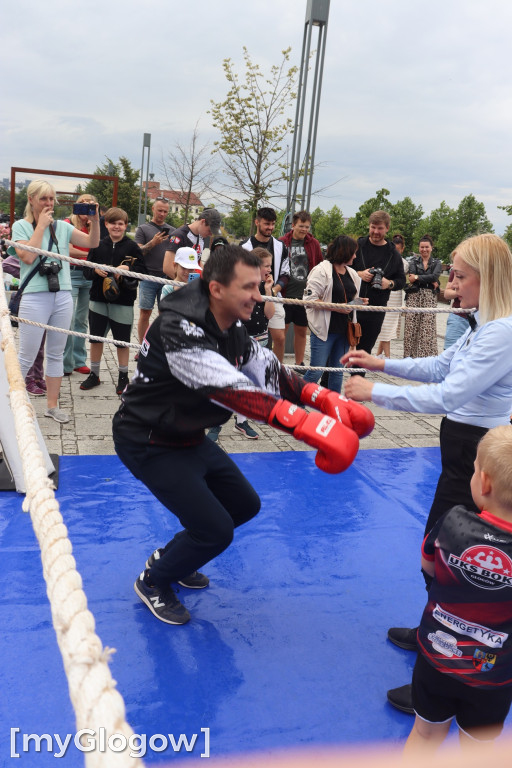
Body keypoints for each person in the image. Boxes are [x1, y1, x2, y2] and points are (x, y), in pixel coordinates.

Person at [112, 244, 374, 626]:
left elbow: (267, 369)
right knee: (215, 531)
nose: (259, 295)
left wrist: (321, 397)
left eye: (260, 284)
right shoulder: (176, 328)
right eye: (249, 287)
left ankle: (174, 557)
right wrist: (307, 425)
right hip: (147, 440)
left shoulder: (227, 323)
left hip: (184, 435)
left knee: (243, 505)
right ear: (217, 288)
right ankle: (153, 581)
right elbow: (230, 388)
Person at [342, 232, 512, 713]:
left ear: (488, 277)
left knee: (452, 560)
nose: (451, 284)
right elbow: (442, 366)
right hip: (464, 453)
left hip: (474, 457)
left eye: (460, 276)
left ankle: (447, 658)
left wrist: (373, 391)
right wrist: (382, 362)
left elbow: (448, 395)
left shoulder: (501, 331)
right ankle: (431, 632)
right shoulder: (485, 324)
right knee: (438, 552)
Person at [404, 425, 512, 755]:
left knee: (423, 735)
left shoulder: (452, 521)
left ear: (484, 482)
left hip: (436, 657)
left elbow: (428, 567)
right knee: (480, 749)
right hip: (494, 674)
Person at [8, 179, 100, 423]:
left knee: (56, 353)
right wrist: (41, 227)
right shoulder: (20, 226)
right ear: (31, 200)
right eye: (43, 199)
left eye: (51, 199)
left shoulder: (62, 226)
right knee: (26, 355)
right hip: (35, 297)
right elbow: (27, 256)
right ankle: (9, 405)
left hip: (62, 294)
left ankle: (52, 406)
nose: (49, 203)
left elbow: (92, 244)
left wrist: (96, 220)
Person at [207, 246, 276, 442]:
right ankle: (216, 422)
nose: (269, 270)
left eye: (270, 266)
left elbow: (269, 314)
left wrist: (269, 290)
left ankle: (242, 420)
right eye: (266, 266)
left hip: (260, 338)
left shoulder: (266, 287)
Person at [80, 207, 147, 395]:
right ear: (106, 224)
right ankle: (94, 373)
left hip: (123, 301)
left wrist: (125, 272)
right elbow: (86, 271)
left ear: (126, 226)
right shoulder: (97, 244)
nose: (116, 227)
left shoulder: (133, 247)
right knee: (95, 338)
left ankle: (123, 376)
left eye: (120, 224)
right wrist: (95, 270)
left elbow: (143, 273)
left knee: (122, 341)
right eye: (113, 223)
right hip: (98, 300)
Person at [303, 235, 364, 393]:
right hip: (324, 331)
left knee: (337, 373)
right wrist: (338, 307)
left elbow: (351, 301)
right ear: (345, 252)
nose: (355, 256)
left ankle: (333, 409)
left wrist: (359, 302)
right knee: (316, 371)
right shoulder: (320, 271)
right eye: (353, 252)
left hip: (344, 331)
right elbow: (309, 300)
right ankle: (293, 402)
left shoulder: (352, 274)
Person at [351, 211, 406, 357]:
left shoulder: (393, 253)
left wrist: (389, 284)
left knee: (364, 351)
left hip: (376, 307)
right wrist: (359, 274)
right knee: (341, 346)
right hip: (352, 302)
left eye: (380, 228)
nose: (376, 232)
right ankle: (328, 380)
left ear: (387, 228)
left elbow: (401, 280)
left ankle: (357, 379)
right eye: (373, 227)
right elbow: (341, 267)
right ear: (369, 226)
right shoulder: (358, 246)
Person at [241, 207, 290, 362]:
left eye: (273, 224)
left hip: (272, 294)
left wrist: (274, 290)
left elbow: (286, 273)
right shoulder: (243, 247)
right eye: (267, 223)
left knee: (279, 338)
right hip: (249, 296)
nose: (270, 227)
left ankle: (278, 372)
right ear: (257, 222)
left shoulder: (280, 246)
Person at [279, 211, 323, 367]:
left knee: (301, 331)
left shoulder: (314, 244)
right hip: (285, 294)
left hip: (304, 296)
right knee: (281, 332)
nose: (304, 230)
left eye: (307, 227)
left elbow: (319, 266)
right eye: (301, 226)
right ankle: (278, 362)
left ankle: (299, 363)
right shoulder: (282, 242)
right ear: (293, 226)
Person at [63, 193, 98, 376]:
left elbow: (98, 245)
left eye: (90, 205)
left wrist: (95, 222)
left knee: (82, 320)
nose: (87, 208)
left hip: (88, 275)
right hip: (72, 273)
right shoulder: (68, 223)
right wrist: (87, 257)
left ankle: (79, 360)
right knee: (67, 319)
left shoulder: (93, 225)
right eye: (83, 204)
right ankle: (66, 363)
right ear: (77, 206)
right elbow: (67, 249)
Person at [134, 197, 175, 352]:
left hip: (167, 278)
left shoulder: (173, 230)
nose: (162, 214)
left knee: (164, 314)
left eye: (165, 211)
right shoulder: (143, 229)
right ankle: (142, 347)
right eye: (159, 210)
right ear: (153, 209)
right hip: (148, 276)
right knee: (145, 312)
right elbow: (137, 253)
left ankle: (160, 348)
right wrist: (153, 243)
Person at [403, 235, 442, 358]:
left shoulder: (437, 263)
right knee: (411, 328)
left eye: (427, 247)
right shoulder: (413, 262)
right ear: (418, 248)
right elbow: (411, 277)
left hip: (429, 297)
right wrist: (427, 279)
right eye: (422, 247)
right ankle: (409, 358)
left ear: (431, 248)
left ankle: (426, 358)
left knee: (427, 328)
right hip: (414, 296)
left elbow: (435, 277)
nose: (424, 249)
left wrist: (417, 278)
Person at [162, 207, 222, 278]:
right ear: (203, 222)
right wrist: (187, 285)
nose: (210, 234)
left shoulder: (201, 238)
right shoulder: (179, 236)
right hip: (174, 285)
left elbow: (198, 262)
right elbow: (167, 268)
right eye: (209, 230)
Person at [375, 233, 409, 358]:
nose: (396, 252)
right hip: (384, 295)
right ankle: (386, 357)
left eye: (398, 250)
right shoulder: (385, 259)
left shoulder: (404, 263)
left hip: (396, 296)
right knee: (384, 327)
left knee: (389, 327)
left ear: (402, 249)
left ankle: (380, 355)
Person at [443, 266, 470, 349]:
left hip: (483, 319)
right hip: (459, 317)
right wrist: (460, 292)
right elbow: (447, 293)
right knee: (450, 354)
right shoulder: (457, 269)